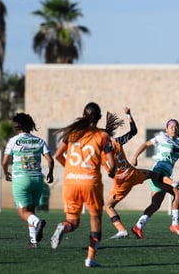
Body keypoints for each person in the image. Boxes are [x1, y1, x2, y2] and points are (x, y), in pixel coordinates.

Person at [103, 107, 179, 240]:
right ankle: (172, 222)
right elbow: (134, 131)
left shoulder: (97, 151)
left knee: (108, 206)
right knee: (154, 177)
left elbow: (105, 167)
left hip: (121, 182)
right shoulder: (116, 142)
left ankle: (123, 229)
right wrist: (129, 115)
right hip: (133, 174)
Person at [50, 102, 116, 268]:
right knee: (95, 219)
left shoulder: (73, 132)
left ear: (83, 115)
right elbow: (112, 164)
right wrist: (112, 172)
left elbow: (57, 155)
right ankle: (90, 258)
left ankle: (63, 227)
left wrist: (72, 170)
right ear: (99, 118)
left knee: (73, 222)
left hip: (71, 182)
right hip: (90, 183)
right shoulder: (102, 136)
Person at [131, 118, 179, 239]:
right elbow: (146, 144)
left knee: (155, 205)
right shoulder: (162, 137)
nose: (174, 128)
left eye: (176, 126)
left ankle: (138, 227)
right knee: (177, 193)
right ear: (166, 129)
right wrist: (135, 156)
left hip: (166, 174)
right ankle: (175, 224)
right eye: (171, 127)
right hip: (158, 171)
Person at [1, 112, 54, 249]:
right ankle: (33, 242)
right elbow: (50, 160)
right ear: (31, 126)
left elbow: (4, 161)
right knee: (31, 210)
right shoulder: (40, 141)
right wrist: (51, 173)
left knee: (23, 212)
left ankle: (38, 223)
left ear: (17, 127)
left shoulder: (13, 141)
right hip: (37, 180)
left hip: (21, 179)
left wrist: (6, 173)